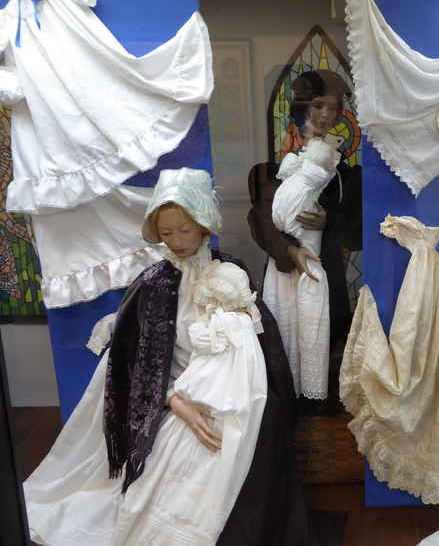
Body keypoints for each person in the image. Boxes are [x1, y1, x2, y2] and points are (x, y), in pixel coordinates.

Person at [23, 168, 310, 545]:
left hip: (230, 389)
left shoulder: (231, 274)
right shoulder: (155, 283)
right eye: (166, 232)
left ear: (205, 226)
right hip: (172, 395)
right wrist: (177, 403)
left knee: (262, 421)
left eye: (184, 230)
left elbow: (256, 348)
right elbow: (137, 362)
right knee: (190, 444)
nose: (175, 241)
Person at [247, 70, 362, 409]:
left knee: (322, 343)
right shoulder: (270, 172)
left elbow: (358, 230)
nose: (325, 115)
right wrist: (288, 249)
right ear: (300, 108)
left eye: (333, 108)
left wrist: (331, 221)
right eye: (317, 106)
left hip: (324, 270)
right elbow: (260, 221)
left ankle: (317, 399)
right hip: (284, 271)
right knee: (283, 338)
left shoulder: (345, 176)